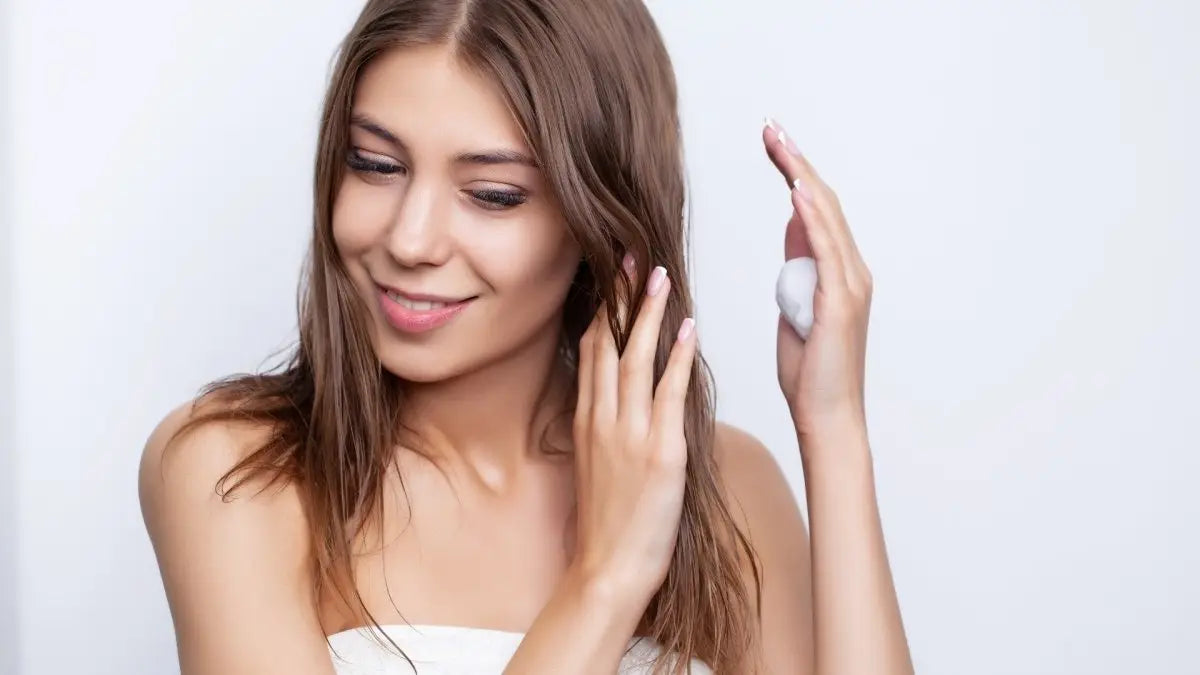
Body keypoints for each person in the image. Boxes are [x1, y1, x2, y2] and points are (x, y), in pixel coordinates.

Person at [138, 0, 913, 673]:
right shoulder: (238, 472)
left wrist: (833, 431)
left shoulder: (729, 488)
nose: (411, 239)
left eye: (492, 194)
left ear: (597, 219)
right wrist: (604, 578)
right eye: (375, 164)